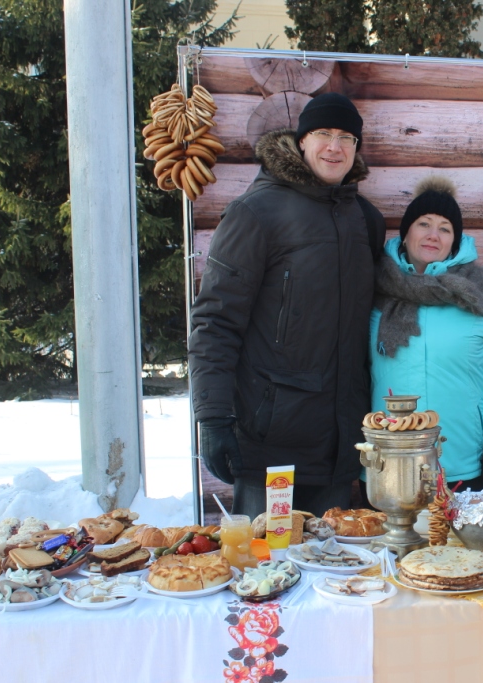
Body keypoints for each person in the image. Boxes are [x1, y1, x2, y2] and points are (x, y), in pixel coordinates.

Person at [188, 93, 385, 516]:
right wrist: (214, 419)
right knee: (269, 567)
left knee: (329, 568)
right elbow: (214, 322)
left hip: (338, 442)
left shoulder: (363, 219)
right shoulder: (256, 213)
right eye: (324, 134)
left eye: (347, 137)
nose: (335, 147)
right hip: (271, 442)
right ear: (301, 141)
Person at [370, 178, 483, 489]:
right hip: (389, 465)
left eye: (445, 228)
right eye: (424, 224)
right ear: (405, 234)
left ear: (455, 242)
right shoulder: (373, 293)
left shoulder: (476, 295)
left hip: (461, 462)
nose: (434, 235)